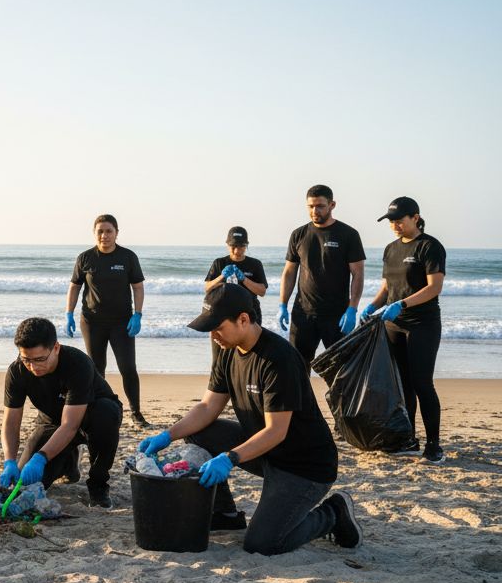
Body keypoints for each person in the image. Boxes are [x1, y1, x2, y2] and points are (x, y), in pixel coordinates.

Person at [138, 284, 361, 555]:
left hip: (303, 466)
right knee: (199, 432)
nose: (213, 335)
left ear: (243, 319)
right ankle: (224, 514)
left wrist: (229, 458)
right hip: (265, 452)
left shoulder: (279, 359)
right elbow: (208, 407)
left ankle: (333, 513)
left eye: (217, 327)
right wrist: (167, 435)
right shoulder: (227, 350)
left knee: (263, 543)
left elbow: (276, 432)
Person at [0, 317, 122, 507]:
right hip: (53, 421)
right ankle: (68, 465)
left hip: (93, 416)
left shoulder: (78, 364)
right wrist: (9, 461)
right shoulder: (16, 372)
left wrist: (41, 457)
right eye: (26, 360)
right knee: (25, 485)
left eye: (40, 359)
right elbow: (11, 422)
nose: (33, 367)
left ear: (55, 348)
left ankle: (98, 485)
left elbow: (71, 425)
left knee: (105, 415)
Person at [361, 197, 447, 464]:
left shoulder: (430, 247)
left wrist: (403, 304)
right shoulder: (390, 249)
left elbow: (434, 287)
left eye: (400, 220)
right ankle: (409, 438)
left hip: (422, 324)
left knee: (422, 383)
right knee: (403, 385)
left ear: (416, 217)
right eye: (391, 221)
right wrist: (371, 306)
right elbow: (387, 287)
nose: (395, 225)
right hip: (393, 325)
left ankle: (433, 444)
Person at [65, 214, 149, 428]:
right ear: (95, 234)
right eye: (100, 231)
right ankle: (97, 409)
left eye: (109, 231)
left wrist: (137, 314)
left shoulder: (128, 257)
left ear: (116, 233)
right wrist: (69, 313)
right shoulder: (85, 258)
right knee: (97, 368)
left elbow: (137, 287)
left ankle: (136, 413)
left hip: (122, 322)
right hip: (92, 322)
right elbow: (74, 287)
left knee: (128, 367)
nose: (104, 235)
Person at [278, 185, 366, 368]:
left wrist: (352, 308)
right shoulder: (298, 234)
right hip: (303, 313)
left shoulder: (348, 234)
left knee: (340, 370)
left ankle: (339, 399)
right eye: (310, 206)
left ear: (332, 205)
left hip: (337, 314)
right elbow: (289, 272)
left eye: (320, 206)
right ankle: (302, 398)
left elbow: (357, 274)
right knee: (298, 368)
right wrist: (282, 304)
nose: (314, 211)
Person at [203, 226, 267, 364]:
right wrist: (221, 277)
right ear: (227, 245)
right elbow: (207, 288)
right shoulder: (219, 263)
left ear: (246, 245)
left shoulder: (255, 264)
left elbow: (262, 291)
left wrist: (244, 278)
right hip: (222, 315)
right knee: (220, 359)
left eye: (241, 246)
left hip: (249, 315)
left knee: (249, 357)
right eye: (233, 246)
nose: (237, 250)